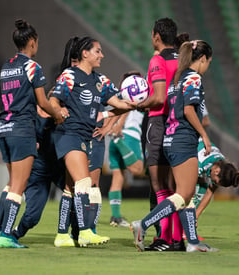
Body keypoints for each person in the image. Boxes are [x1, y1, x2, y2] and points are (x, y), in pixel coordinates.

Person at [131, 40, 218, 252]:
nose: (207, 68)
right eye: (208, 63)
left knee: (184, 195)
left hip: (169, 139)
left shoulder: (177, 79)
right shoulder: (193, 78)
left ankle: (192, 243)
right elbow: (189, 110)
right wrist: (204, 136)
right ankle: (143, 224)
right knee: (183, 194)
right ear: (204, 59)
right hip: (183, 140)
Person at [50, 36, 136, 247]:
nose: (102, 55)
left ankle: (62, 235)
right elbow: (53, 98)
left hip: (88, 135)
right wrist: (58, 108)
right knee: (84, 182)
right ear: (85, 54)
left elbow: (119, 104)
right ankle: (85, 231)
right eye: (98, 51)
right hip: (69, 134)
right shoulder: (70, 75)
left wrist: (136, 103)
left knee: (71, 187)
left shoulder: (101, 80)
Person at [0, 19, 65, 249]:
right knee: (18, 187)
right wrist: (58, 113)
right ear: (32, 42)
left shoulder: (6, 66)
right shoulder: (33, 67)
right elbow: (42, 101)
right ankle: (7, 236)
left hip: (3, 127)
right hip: (22, 129)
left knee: (12, 183)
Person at [135, 17, 181, 251]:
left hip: (159, 122)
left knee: (159, 184)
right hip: (179, 124)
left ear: (156, 36)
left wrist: (139, 104)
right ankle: (176, 238)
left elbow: (159, 98)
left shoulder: (157, 59)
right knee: (175, 186)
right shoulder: (183, 59)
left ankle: (163, 238)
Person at [107, 71, 145, 227]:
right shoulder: (135, 97)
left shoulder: (117, 96)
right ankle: (118, 141)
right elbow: (126, 109)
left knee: (118, 177)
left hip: (116, 137)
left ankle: (115, 217)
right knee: (138, 169)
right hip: (128, 136)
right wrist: (120, 126)